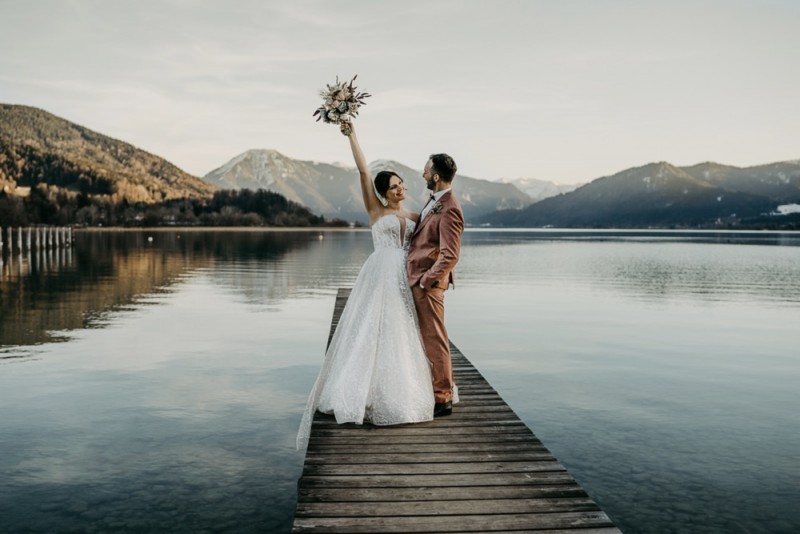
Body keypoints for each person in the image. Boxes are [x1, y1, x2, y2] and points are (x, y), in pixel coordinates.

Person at [296, 121, 434, 450]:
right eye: (394, 186)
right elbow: (362, 171)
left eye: (402, 184)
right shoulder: (375, 211)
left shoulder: (416, 216)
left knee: (401, 329)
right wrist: (352, 135)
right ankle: (360, 391)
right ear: (383, 192)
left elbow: (433, 235)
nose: (400, 189)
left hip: (404, 274)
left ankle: (400, 390)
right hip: (379, 273)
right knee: (372, 327)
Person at [407, 153, 464, 417]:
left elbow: (450, 255)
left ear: (436, 176)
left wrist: (426, 281)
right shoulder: (435, 201)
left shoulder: (450, 207)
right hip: (419, 279)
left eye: (426, 170)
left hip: (428, 285)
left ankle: (443, 398)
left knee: (435, 339)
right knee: (429, 338)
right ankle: (437, 390)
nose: (423, 174)